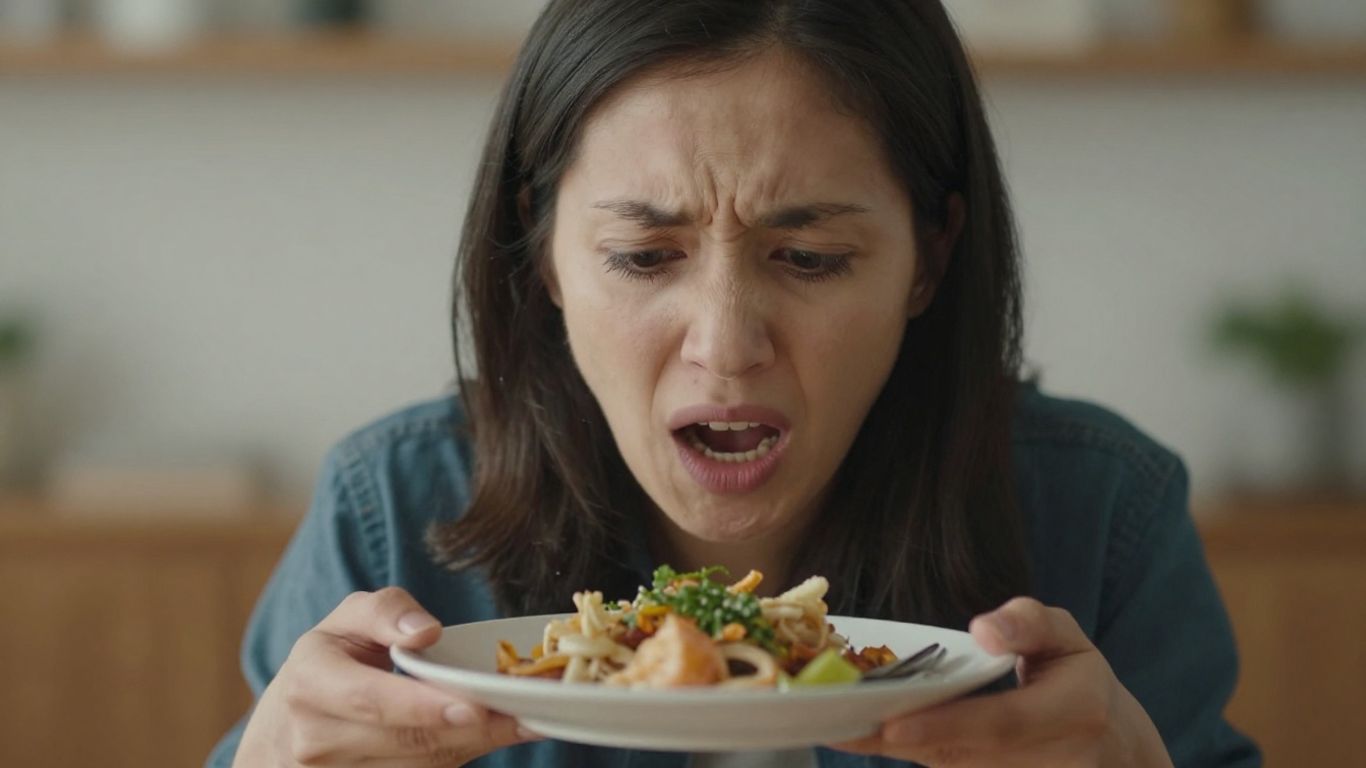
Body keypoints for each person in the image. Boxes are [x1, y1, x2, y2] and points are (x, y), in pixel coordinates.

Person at [209, 1, 1261, 766]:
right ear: (542, 257)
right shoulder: (390, 512)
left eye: (808, 261)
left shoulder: (1102, 516)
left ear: (929, 258)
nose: (723, 345)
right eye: (641, 256)